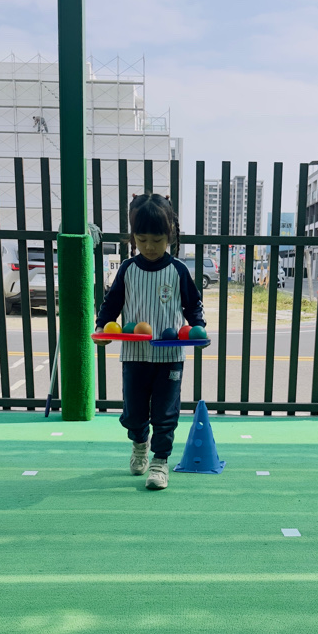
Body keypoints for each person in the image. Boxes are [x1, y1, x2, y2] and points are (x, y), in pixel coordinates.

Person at [94, 193, 206, 491]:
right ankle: (140, 444)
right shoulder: (127, 269)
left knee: (165, 414)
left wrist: (198, 328)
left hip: (169, 357)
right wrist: (102, 328)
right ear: (133, 237)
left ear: (169, 236)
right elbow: (110, 304)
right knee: (134, 413)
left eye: (157, 240)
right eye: (142, 239)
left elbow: (193, 305)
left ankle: (160, 461)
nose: (149, 247)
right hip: (134, 355)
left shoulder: (178, 270)